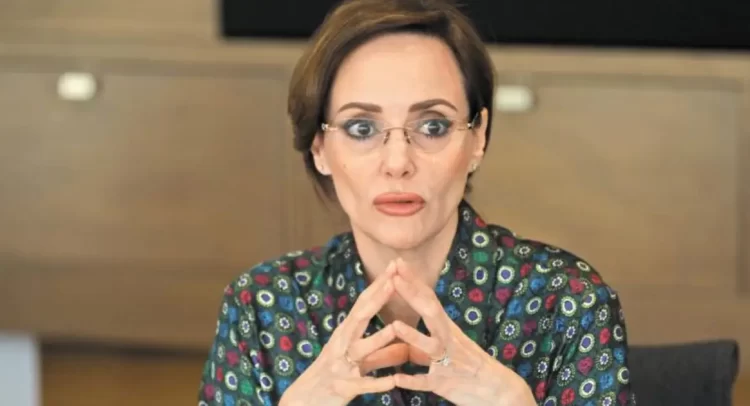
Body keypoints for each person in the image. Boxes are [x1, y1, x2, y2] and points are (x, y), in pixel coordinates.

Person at [198, 0, 635, 405]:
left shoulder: (570, 302)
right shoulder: (260, 306)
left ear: (478, 137)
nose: (397, 163)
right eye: (361, 128)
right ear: (319, 147)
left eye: (432, 126)